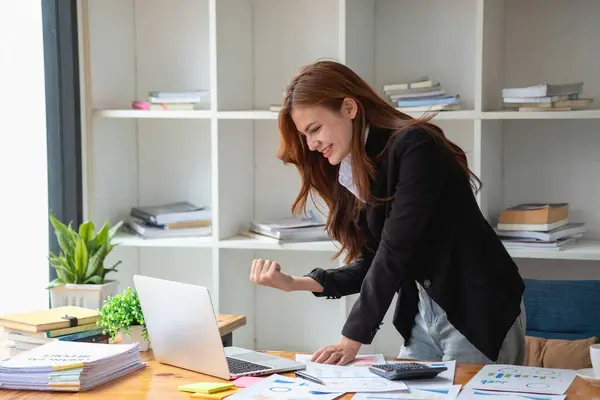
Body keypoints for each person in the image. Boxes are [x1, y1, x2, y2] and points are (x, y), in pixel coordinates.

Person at [249, 60, 526, 366]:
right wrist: (296, 283)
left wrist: (350, 339)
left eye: (315, 129)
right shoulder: (354, 168)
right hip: (421, 316)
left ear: (349, 108)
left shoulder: (416, 147)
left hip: (476, 309)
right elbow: (373, 259)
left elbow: (395, 252)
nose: (311, 145)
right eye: (304, 136)